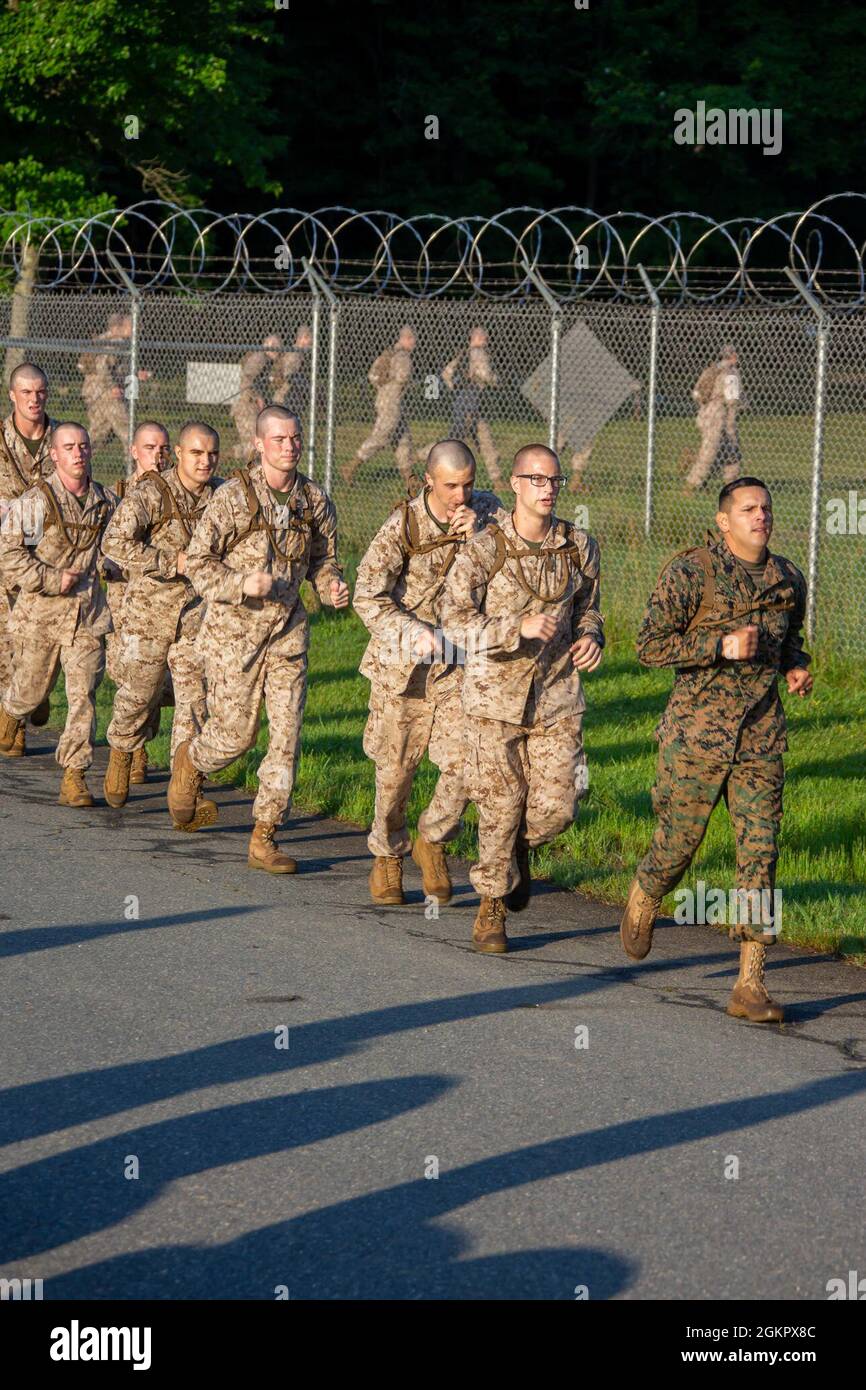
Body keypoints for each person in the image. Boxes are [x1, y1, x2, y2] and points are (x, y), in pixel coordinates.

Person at [620, 477, 813, 1024]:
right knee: (679, 842)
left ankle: (750, 982)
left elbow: (789, 638)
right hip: (697, 734)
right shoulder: (692, 571)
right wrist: (718, 646)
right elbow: (649, 645)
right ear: (724, 520)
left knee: (761, 851)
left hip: (760, 737)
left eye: (767, 508)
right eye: (748, 509)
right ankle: (648, 890)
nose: (761, 516)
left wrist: (795, 667)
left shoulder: (787, 578)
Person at [169, 406, 349, 869]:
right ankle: (192, 761)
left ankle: (265, 834)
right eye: (279, 439)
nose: (289, 447)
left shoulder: (314, 500)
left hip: (287, 635)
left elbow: (324, 559)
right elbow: (199, 562)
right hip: (234, 636)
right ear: (259, 444)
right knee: (236, 736)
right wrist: (239, 584)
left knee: (286, 736)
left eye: (295, 438)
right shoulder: (232, 498)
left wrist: (330, 586)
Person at [441, 444, 604, 953]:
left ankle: (514, 849)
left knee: (559, 807)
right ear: (514, 484)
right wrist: (516, 627)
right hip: (494, 697)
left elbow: (590, 608)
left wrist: (591, 637)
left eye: (554, 480)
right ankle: (491, 908)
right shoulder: (486, 548)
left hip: (556, 694)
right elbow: (454, 621)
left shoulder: (578, 544)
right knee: (501, 801)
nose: (547, 489)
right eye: (536, 479)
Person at [354, 439, 505, 905]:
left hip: (459, 664)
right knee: (395, 771)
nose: (460, 495)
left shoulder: (489, 514)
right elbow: (367, 596)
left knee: (467, 765)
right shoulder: (402, 524)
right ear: (428, 481)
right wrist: (410, 632)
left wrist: (480, 535)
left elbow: (507, 572)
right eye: (450, 486)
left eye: (468, 484)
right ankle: (388, 854)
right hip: (405, 669)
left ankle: (433, 839)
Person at [102, 422, 222, 828]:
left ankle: (186, 788)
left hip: (197, 617)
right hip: (148, 616)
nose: (205, 461)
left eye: (211, 455)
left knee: (195, 703)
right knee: (140, 694)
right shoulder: (151, 492)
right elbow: (115, 543)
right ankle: (121, 749)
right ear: (180, 455)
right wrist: (171, 562)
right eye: (196, 454)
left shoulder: (223, 497)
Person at [0, 424, 116, 805]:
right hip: (41, 615)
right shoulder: (39, 502)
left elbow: (114, 550)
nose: (78, 453)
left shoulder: (104, 502)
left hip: (86, 615)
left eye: (83, 446)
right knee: (29, 692)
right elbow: (11, 554)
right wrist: (51, 578)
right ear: (55, 454)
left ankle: (75, 774)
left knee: (83, 694)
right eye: (69, 447)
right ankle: (11, 712)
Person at [104, 420, 172, 785]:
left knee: (156, 682)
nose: (158, 456)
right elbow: (104, 543)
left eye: (164, 449)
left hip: (163, 604)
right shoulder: (117, 495)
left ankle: (138, 746)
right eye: (150, 448)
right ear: (134, 451)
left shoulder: (176, 495)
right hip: (123, 605)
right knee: (132, 679)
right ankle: (131, 750)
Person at [0, 363, 58, 755]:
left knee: (44, 639)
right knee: (7, 642)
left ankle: (34, 694)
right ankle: (14, 720)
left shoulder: (63, 440)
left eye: (40, 392)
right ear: (12, 395)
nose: (34, 399)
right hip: (6, 554)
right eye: (26, 392)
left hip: (49, 556)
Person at [341, 326, 416, 484]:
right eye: (413, 339)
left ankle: (410, 481)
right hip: (392, 402)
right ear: (406, 339)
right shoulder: (403, 356)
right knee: (381, 436)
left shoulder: (388, 353)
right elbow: (403, 377)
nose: (414, 343)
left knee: (403, 440)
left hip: (384, 397)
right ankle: (351, 466)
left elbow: (372, 376)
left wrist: (383, 387)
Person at [77, 314, 150, 453]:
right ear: (125, 327)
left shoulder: (117, 341)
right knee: (127, 428)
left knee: (101, 433)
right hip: (104, 392)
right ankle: (134, 464)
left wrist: (135, 373)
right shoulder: (115, 342)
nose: (140, 329)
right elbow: (102, 366)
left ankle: (76, 456)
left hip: (97, 392)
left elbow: (118, 368)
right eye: (135, 326)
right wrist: (112, 387)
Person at [441, 327, 504, 489]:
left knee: (484, 438)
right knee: (454, 441)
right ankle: (424, 456)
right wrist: (497, 381)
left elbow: (446, 374)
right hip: (473, 399)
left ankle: (497, 480)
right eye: (483, 335)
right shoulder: (479, 353)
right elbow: (486, 374)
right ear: (476, 337)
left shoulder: (463, 353)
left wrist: (455, 387)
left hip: (464, 400)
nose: (487, 337)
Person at [684, 345, 742, 493]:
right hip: (721, 415)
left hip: (705, 413)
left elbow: (696, 393)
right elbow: (732, 399)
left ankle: (731, 482)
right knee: (712, 451)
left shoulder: (711, 370)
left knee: (726, 450)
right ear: (733, 356)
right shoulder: (731, 373)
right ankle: (692, 484)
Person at [231, 334, 284, 462]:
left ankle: (233, 453)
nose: (279, 351)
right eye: (277, 347)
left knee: (256, 443)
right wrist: (258, 397)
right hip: (246, 407)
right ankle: (248, 473)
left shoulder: (267, 361)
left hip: (252, 407)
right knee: (253, 445)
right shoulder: (260, 358)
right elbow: (247, 379)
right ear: (269, 346)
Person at [275, 324, 312, 425]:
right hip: (286, 399)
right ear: (303, 338)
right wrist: (307, 386)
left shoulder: (300, 354)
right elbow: (289, 376)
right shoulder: (294, 354)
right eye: (310, 339)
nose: (311, 343)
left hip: (292, 400)